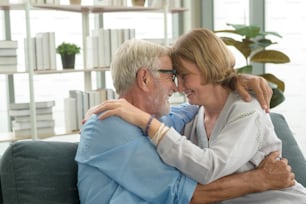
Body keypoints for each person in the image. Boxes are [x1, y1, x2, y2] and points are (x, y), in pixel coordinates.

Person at [75, 38, 295, 204]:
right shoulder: (108, 124)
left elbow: (203, 104)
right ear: (144, 78)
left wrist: (233, 80)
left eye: (181, 76)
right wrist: (260, 180)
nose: (177, 87)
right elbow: (184, 194)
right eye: (172, 76)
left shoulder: (159, 120)